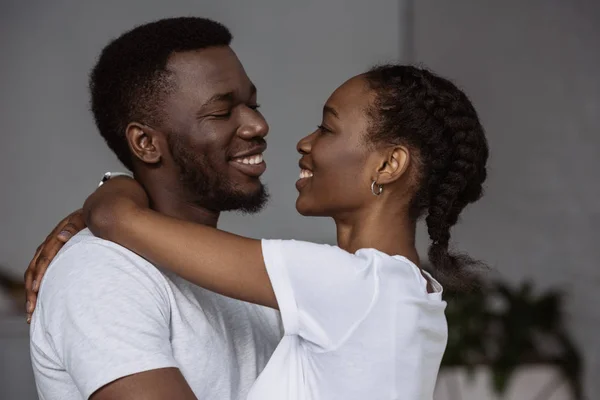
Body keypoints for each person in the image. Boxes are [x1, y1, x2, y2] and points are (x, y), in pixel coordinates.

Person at [26, 64, 490, 399]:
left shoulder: (346, 285)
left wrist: (116, 185)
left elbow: (117, 221)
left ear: (388, 165)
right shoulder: (411, 295)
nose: (302, 142)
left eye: (326, 129)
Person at [25, 17, 283, 400]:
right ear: (145, 142)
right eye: (221, 112)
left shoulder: (239, 274)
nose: (258, 125)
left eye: (253, 104)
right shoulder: (102, 271)